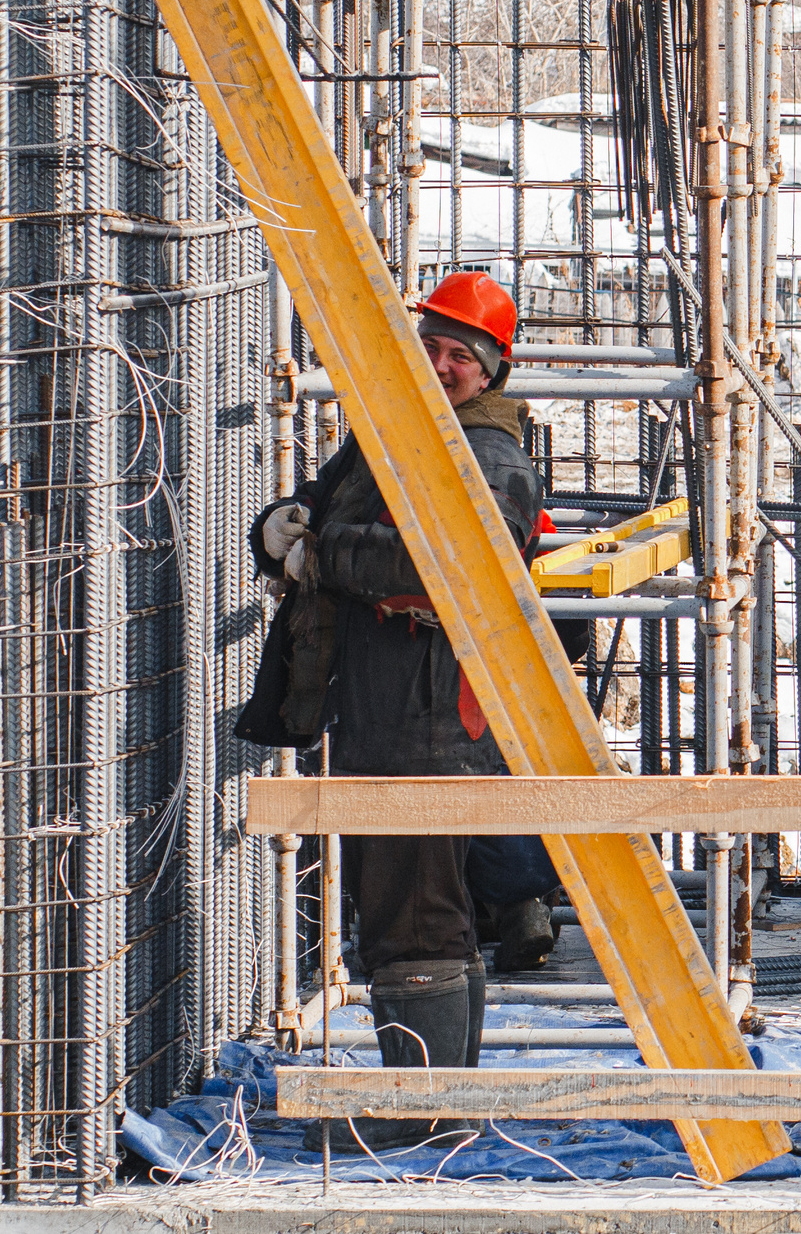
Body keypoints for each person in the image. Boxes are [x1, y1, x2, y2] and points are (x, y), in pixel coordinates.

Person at [249, 271, 543, 1148]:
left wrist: (319, 551)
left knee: (413, 916)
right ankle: (440, 1101)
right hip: (394, 710)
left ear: (490, 370)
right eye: (432, 347)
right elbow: (325, 499)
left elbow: (442, 564)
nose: (442, 365)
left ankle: (421, 1114)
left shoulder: (490, 457)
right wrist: (286, 522)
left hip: (430, 721)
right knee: (425, 910)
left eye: (461, 355)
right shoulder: (394, 430)